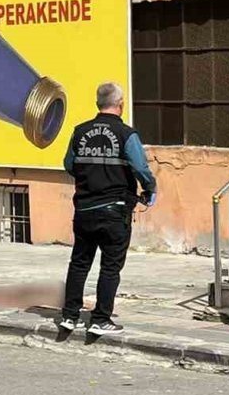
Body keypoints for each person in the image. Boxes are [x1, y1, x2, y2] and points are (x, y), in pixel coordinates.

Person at [59, 83, 157, 335]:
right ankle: (101, 318)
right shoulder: (126, 134)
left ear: (97, 104)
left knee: (79, 263)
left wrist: (90, 177)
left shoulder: (80, 131)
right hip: (115, 209)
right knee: (110, 266)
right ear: (121, 104)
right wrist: (149, 188)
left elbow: (69, 164)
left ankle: (69, 315)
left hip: (84, 209)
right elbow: (140, 167)